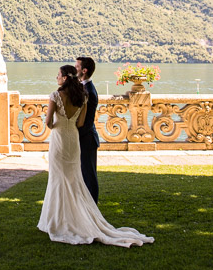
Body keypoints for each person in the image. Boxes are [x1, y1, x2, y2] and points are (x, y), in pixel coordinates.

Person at [37, 65, 154, 247]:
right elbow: (81, 122)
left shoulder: (55, 96)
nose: (56, 77)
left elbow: (48, 123)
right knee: (74, 180)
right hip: (73, 140)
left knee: (57, 179)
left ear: (65, 78)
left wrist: (57, 126)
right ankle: (76, 218)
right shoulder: (83, 96)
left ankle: (57, 221)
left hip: (59, 140)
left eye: (58, 75)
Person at [76, 56, 100, 203]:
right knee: (84, 174)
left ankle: (93, 207)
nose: (74, 69)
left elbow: (87, 122)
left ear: (84, 71)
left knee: (90, 175)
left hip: (87, 139)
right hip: (85, 138)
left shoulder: (89, 91)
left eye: (77, 67)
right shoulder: (84, 87)